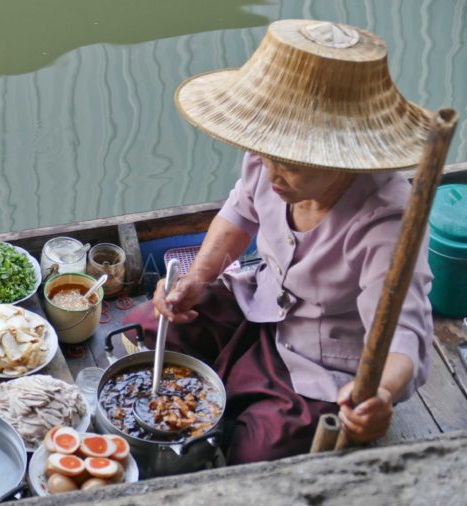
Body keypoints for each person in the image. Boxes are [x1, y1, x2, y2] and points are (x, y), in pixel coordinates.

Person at [124, 19, 434, 465]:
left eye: (289, 164)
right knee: (154, 325)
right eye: (266, 156)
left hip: (325, 361)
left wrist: (381, 394)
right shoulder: (269, 158)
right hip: (261, 304)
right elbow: (239, 214)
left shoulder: (387, 220)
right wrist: (197, 278)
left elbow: (405, 333)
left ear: (342, 154)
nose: (271, 173)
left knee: (258, 450)